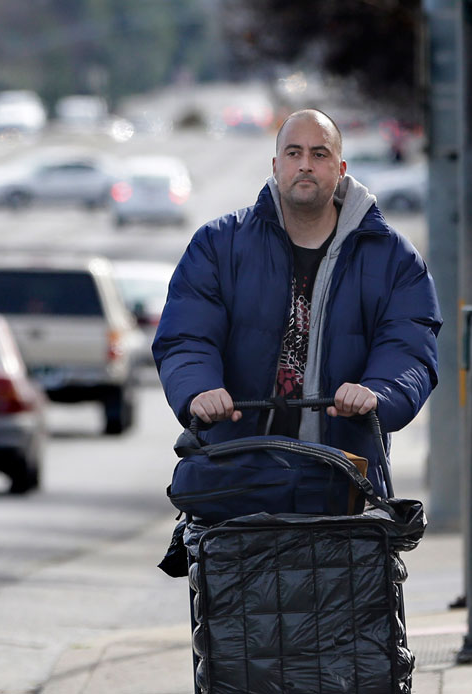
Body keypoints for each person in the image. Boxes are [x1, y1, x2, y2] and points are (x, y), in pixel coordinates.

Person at [152, 109, 441, 495]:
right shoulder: (218, 245)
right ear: (276, 165)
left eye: (319, 154)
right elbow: (186, 337)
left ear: (340, 168)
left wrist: (378, 393)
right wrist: (199, 389)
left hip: (345, 482)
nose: (305, 165)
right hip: (233, 480)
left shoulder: (394, 258)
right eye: (294, 153)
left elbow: (410, 348)